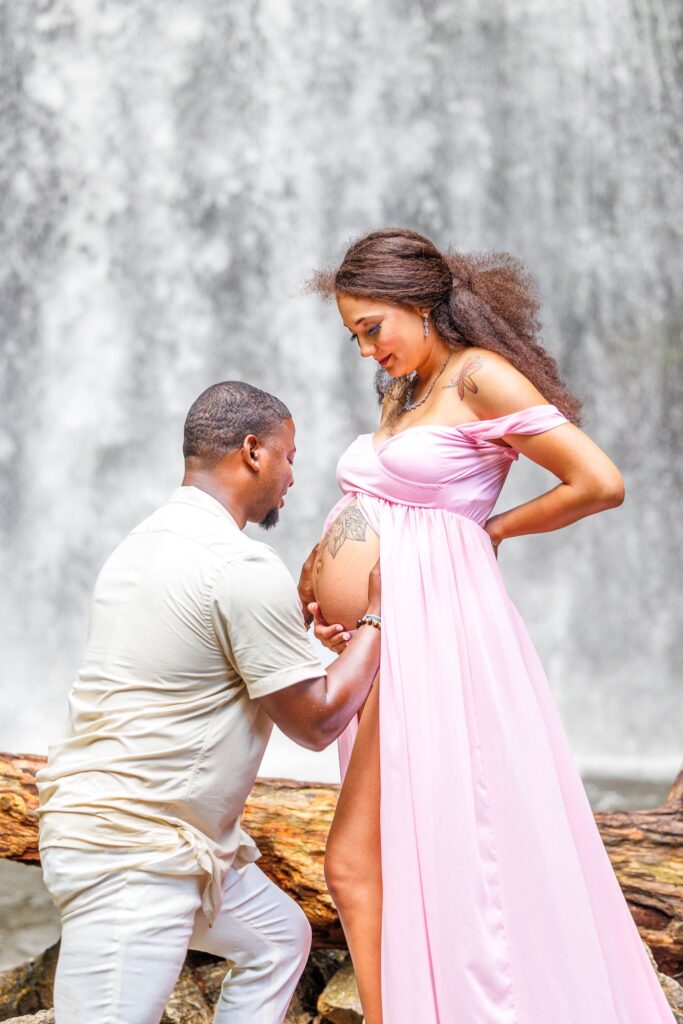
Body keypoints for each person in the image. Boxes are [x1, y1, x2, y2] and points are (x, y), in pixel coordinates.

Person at [299, 229, 676, 1023]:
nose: (366, 350)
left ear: (420, 303)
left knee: (387, 853)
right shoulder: (405, 390)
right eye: (354, 337)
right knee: (367, 858)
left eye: (372, 328)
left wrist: (490, 532)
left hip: (440, 632)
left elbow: (598, 481)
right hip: (387, 637)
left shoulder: (480, 377)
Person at [36, 380, 381, 1024]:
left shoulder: (146, 541)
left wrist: (296, 633)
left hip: (138, 834)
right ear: (253, 451)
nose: (292, 478)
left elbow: (201, 656)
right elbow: (318, 721)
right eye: (290, 456)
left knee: (278, 939)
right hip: (134, 855)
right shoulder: (239, 565)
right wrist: (379, 619)